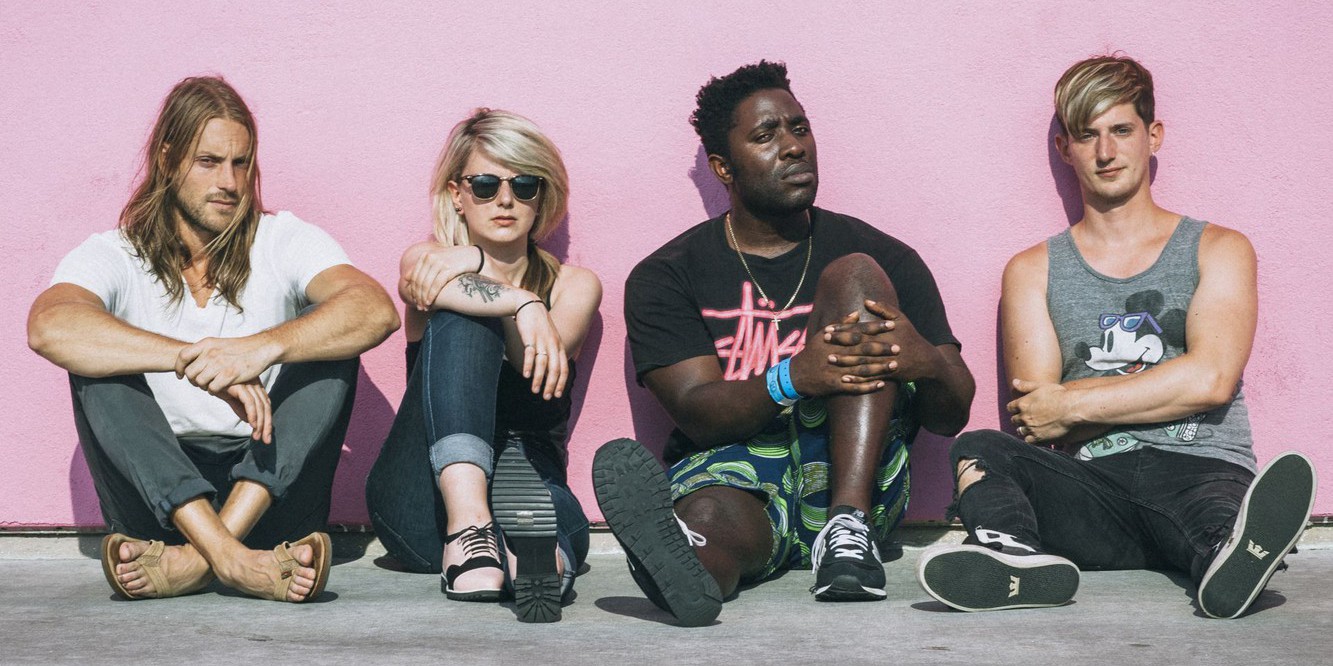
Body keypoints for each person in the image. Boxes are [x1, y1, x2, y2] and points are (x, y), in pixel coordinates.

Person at [915, 55, 1317, 619]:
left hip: (1201, 468)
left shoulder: (1219, 249)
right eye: (1087, 135)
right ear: (1065, 148)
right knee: (980, 448)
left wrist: (1074, 402)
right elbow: (1037, 417)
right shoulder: (1033, 270)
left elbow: (1210, 380)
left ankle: (1233, 557)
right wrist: (1154, 389)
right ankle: (1015, 561)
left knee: (1217, 517)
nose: (1105, 152)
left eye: (1121, 130)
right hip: (1092, 486)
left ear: (1153, 136)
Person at [593, 60, 976, 626]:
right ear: (724, 167)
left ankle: (847, 530)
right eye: (766, 135)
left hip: (857, 468)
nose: (794, 146)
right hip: (735, 466)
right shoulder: (668, 274)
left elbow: (951, 416)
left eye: (800, 128)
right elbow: (698, 413)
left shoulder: (884, 256)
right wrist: (792, 376)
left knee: (854, 277)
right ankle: (687, 566)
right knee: (710, 519)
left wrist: (927, 363)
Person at [27, 76, 400, 603]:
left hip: (270, 495)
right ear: (167, 159)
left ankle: (194, 563)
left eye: (241, 163)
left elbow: (374, 310)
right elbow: (49, 326)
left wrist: (260, 348)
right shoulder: (114, 253)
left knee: (329, 346)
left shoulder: (282, 239)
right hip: (158, 504)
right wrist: (191, 361)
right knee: (95, 363)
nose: (229, 181)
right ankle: (233, 560)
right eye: (208, 161)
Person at [365, 109, 602, 623]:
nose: (505, 200)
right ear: (457, 194)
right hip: (422, 503)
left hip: (528, 468)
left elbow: (538, 362)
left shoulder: (574, 286)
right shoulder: (427, 262)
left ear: (543, 195)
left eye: (524, 184)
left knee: (552, 516)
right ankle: (470, 525)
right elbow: (419, 282)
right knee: (464, 316)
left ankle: (539, 562)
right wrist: (519, 300)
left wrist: (512, 292)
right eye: (486, 184)